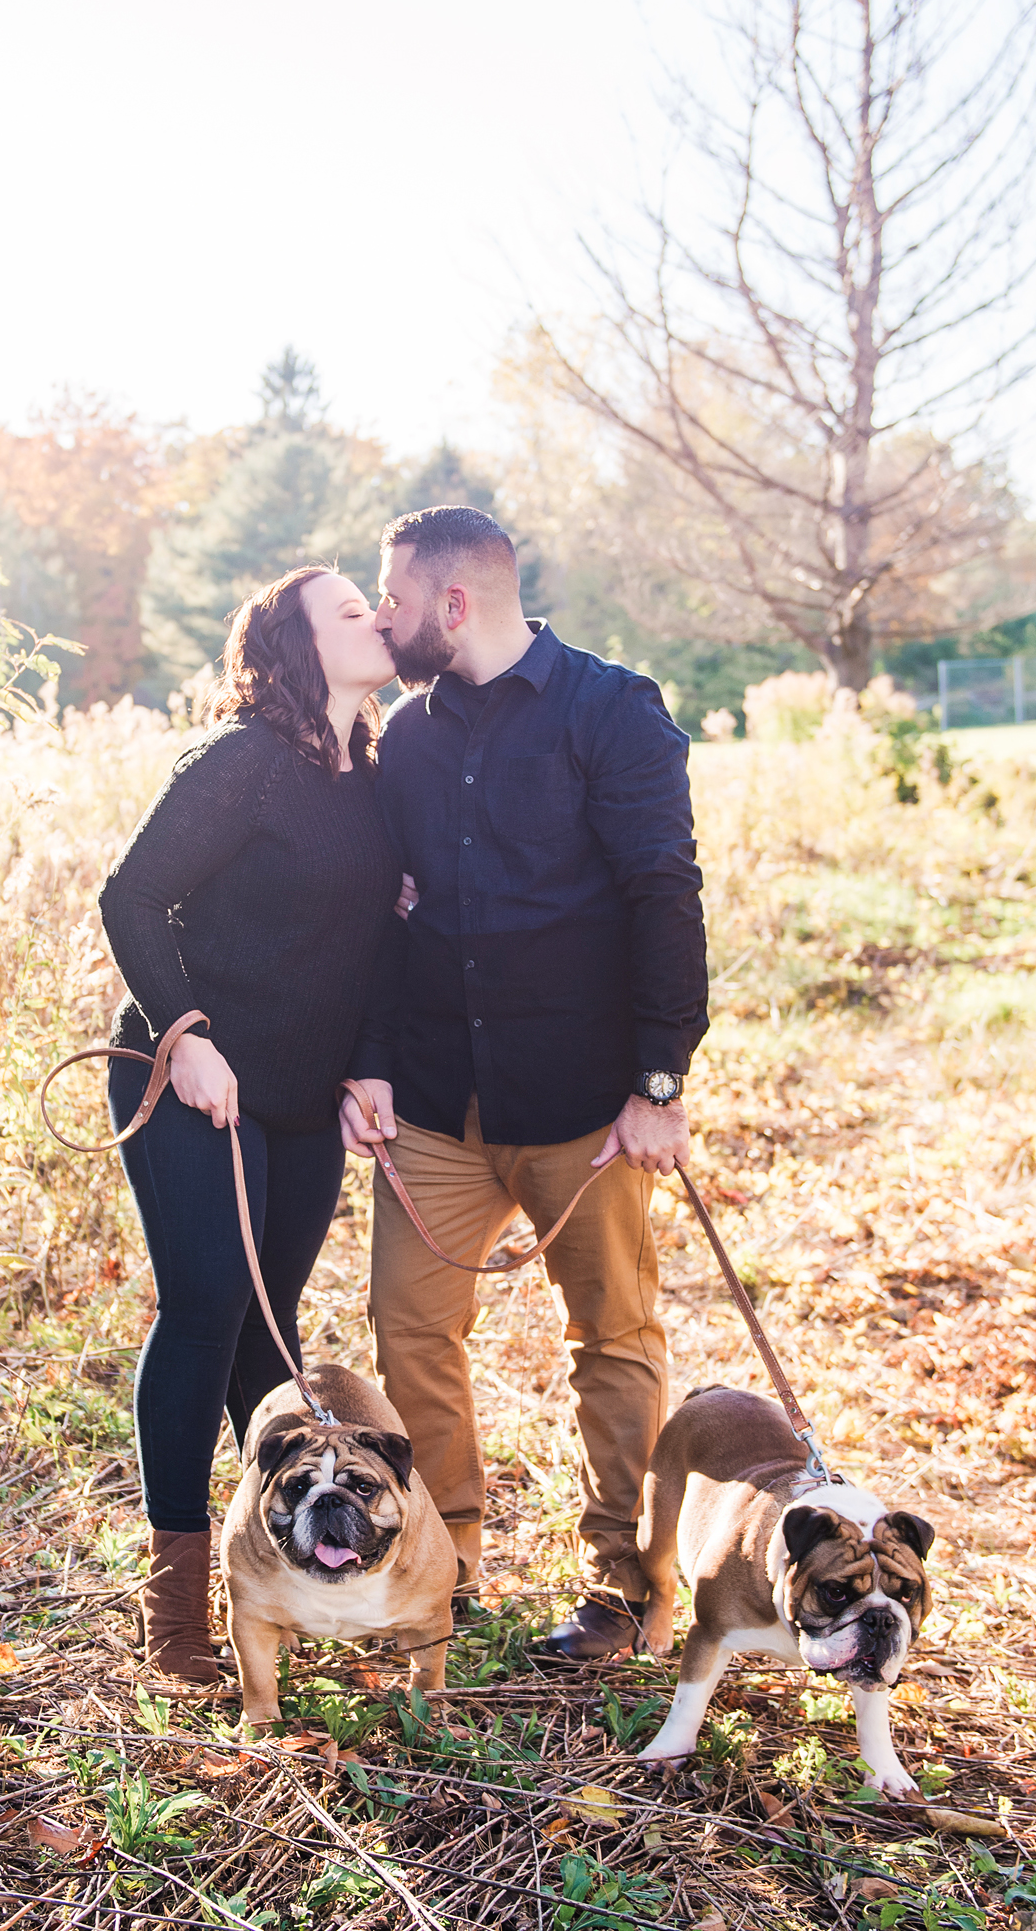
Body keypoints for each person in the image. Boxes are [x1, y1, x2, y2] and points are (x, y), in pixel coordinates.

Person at [339, 505, 708, 1659]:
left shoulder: (612, 710)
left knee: (611, 1335)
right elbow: (383, 916)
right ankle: (443, 1559)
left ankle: (625, 1587)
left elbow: (663, 890)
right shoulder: (407, 737)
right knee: (408, 1333)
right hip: (438, 1104)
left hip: (585, 1104)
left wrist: (656, 1079)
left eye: (392, 599)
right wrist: (370, 1058)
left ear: (453, 603)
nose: (382, 619)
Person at [100, 566, 399, 1683]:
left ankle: (271, 1555)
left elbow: (377, 946)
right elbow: (128, 893)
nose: (373, 616)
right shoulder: (242, 763)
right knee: (208, 1305)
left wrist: (366, 1070)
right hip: (185, 1079)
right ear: (293, 646)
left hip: (301, 1097)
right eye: (347, 609)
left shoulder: (371, 772)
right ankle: (175, 1605)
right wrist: (183, 1032)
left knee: (269, 1330)